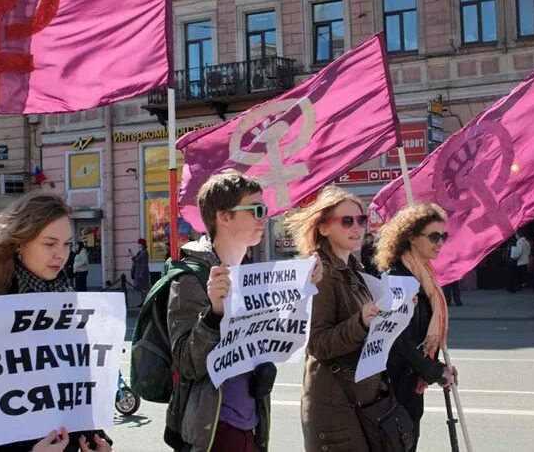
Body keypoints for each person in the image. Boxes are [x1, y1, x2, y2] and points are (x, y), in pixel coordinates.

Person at [0, 193, 112, 452]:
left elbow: (75, 393)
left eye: (67, 244)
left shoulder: (68, 304)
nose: (60, 255)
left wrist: (96, 438)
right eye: (50, 243)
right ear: (19, 243)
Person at [165, 170, 313, 452]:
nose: (264, 218)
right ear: (224, 216)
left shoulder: (250, 276)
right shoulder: (190, 277)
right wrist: (214, 314)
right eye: (256, 209)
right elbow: (186, 363)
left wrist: (304, 290)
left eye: (265, 209)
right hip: (213, 432)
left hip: (252, 427)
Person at [285, 186, 380, 452]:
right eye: (347, 221)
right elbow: (317, 343)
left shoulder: (353, 271)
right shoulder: (320, 273)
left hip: (357, 401)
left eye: (361, 220)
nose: (357, 227)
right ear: (324, 228)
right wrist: (360, 322)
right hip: (334, 408)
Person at [375, 203, 457, 450]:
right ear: (410, 237)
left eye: (443, 235)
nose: (440, 242)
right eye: (433, 236)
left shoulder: (425, 274)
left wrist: (438, 367)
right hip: (394, 384)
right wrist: (435, 371)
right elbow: (400, 339)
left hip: (411, 382)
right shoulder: (397, 277)